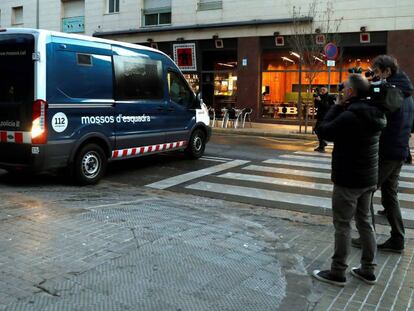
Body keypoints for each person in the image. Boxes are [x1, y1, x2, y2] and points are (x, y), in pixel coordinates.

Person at [312, 74, 386, 286]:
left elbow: (324, 130)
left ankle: (337, 272)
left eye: (343, 88)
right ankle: (368, 269)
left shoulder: (350, 116)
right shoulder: (376, 111)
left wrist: (337, 106)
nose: (341, 90)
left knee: (343, 225)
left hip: (348, 180)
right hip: (368, 178)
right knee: (364, 222)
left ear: (351, 92)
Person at [352, 55, 414, 252]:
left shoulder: (390, 92)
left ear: (387, 71)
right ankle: (397, 238)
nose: (375, 76)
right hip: (400, 150)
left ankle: (366, 237)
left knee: (365, 192)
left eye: (377, 72)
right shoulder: (406, 92)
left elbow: (378, 119)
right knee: (389, 196)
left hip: (387, 151)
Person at [313, 86, 335, 152]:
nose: (322, 91)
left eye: (323, 89)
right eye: (321, 90)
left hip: (325, 117)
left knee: (318, 130)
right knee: (317, 130)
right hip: (320, 116)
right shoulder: (320, 96)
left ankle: (322, 146)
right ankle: (322, 143)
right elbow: (316, 106)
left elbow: (328, 107)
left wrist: (320, 101)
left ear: (327, 90)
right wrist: (316, 100)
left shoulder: (329, 97)